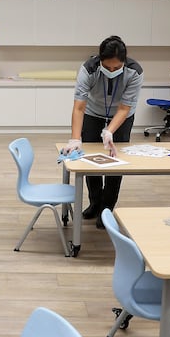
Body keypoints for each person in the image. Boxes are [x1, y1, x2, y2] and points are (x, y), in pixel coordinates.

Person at [61, 35, 144, 228]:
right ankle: (95, 203)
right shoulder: (88, 69)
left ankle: (106, 210)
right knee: (91, 160)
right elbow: (79, 107)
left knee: (116, 163)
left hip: (122, 117)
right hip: (93, 113)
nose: (112, 71)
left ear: (124, 62)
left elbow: (124, 108)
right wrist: (75, 139)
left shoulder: (135, 72)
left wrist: (109, 131)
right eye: (107, 67)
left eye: (116, 68)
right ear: (100, 61)